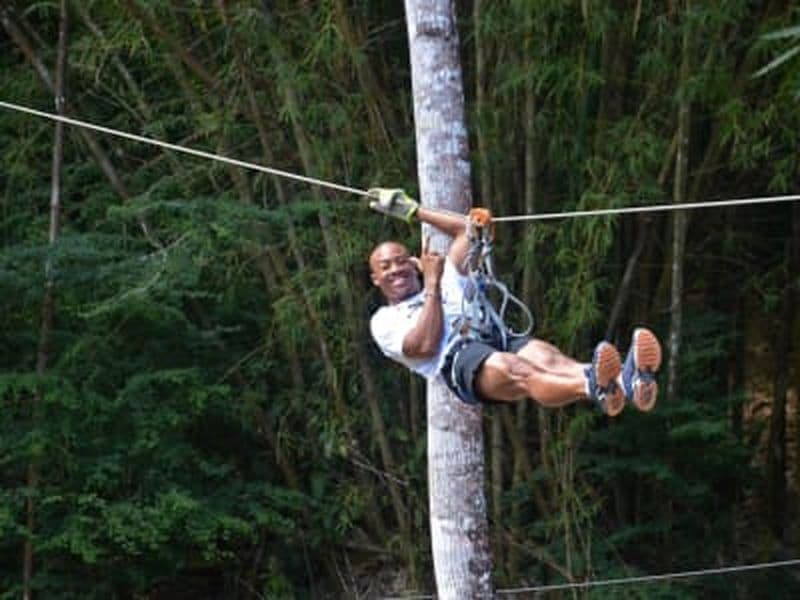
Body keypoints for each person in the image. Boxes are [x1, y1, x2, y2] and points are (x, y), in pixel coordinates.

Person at [366, 189, 661, 415]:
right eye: (386, 267)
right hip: (459, 360)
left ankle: (625, 383)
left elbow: (472, 230)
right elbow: (425, 345)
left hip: (494, 336)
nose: (395, 270)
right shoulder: (384, 320)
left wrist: (412, 210)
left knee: (548, 358)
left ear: (412, 262)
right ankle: (593, 387)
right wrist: (431, 284)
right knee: (519, 370)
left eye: (400, 261)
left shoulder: (448, 275)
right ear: (375, 279)